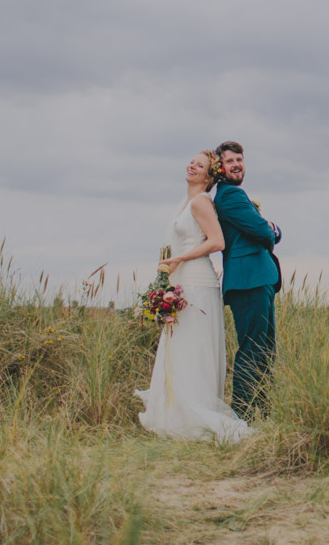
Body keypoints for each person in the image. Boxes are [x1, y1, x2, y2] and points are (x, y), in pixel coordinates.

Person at [135, 150, 253, 442]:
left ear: (209, 176)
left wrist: (180, 259)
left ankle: (194, 411)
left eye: (199, 165)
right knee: (179, 348)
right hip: (181, 279)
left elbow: (217, 241)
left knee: (192, 348)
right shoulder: (185, 202)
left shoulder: (201, 202)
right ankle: (175, 413)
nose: (192, 166)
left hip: (197, 282)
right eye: (191, 161)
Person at [212, 140, 282, 418]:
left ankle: (262, 412)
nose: (236, 165)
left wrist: (268, 228)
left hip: (256, 280)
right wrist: (273, 230)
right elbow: (263, 232)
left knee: (264, 349)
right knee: (253, 350)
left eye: (239, 160)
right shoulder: (230, 196)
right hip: (248, 280)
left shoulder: (235, 195)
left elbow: (259, 229)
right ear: (220, 167)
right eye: (229, 161)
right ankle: (240, 415)